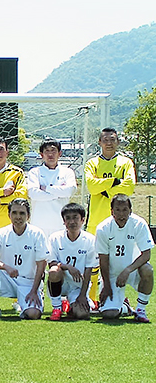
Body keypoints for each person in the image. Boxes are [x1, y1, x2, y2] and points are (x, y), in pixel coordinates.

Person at [85, 127, 136, 302]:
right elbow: (91, 186)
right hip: (96, 218)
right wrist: (115, 181)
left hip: (119, 221)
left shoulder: (126, 162)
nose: (109, 143)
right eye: (105, 140)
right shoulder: (92, 163)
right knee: (93, 261)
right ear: (99, 142)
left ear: (118, 142)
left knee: (118, 261)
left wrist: (104, 189)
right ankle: (91, 298)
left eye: (112, 139)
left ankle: (118, 297)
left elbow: (129, 187)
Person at [0, 198, 49, 320]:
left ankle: (35, 296)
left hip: (28, 282)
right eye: (14, 213)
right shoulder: (2, 233)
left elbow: (41, 265)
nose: (18, 217)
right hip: (7, 278)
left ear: (28, 216)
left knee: (33, 314)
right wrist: (6, 267)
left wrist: (34, 291)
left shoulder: (37, 233)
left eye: (22, 213)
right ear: (9, 215)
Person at [97, 194, 154, 322]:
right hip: (112, 274)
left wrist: (128, 270)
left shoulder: (139, 224)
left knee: (148, 270)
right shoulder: (103, 228)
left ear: (130, 210)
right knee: (109, 314)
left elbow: (146, 254)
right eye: (117, 210)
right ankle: (125, 308)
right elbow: (103, 260)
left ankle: (140, 309)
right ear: (112, 211)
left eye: (125, 210)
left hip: (133, 271)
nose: (121, 214)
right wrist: (107, 285)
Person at [46, 203, 96, 321]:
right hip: (61, 282)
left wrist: (83, 295)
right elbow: (52, 264)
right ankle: (57, 307)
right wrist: (68, 267)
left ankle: (70, 305)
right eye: (68, 218)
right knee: (54, 271)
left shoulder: (90, 240)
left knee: (82, 315)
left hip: (78, 286)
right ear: (64, 221)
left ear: (82, 220)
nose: (72, 221)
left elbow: (89, 270)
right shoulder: (55, 238)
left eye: (75, 218)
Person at [27, 139, 77, 238]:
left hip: (61, 224)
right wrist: (58, 194)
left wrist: (46, 188)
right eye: (47, 151)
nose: (50, 154)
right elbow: (33, 194)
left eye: (53, 150)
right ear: (41, 155)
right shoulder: (35, 172)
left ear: (60, 153)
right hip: (39, 223)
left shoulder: (67, 172)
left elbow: (70, 191)